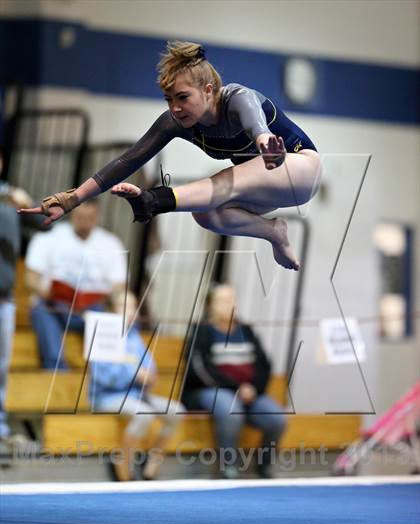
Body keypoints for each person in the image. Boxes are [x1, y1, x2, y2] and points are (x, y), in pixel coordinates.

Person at [18, 41, 321, 270]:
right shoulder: (175, 122)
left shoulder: (238, 99)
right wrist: (72, 199)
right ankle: (273, 232)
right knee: (205, 212)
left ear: (208, 90)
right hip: (263, 185)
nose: (175, 107)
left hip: (300, 168)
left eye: (183, 97)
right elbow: (128, 160)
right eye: (169, 99)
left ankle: (154, 200)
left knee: (226, 182)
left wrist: (265, 142)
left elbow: (257, 125)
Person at [182, 283, 286, 478]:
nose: (228, 304)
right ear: (211, 305)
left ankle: (264, 465)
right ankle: (228, 465)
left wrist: (254, 388)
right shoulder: (202, 330)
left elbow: (264, 364)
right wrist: (236, 388)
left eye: (231, 300)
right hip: (207, 391)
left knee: (277, 418)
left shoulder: (245, 330)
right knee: (230, 408)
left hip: (248, 393)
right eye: (223, 300)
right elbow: (200, 369)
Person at [89, 290, 185, 481]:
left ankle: (151, 466)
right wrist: (134, 373)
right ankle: (122, 463)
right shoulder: (102, 336)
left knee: (177, 411)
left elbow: (150, 368)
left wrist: (148, 375)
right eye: (124, 306)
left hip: (136, 395)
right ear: (111, 310)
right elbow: (104, 377)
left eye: (133, 306)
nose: (131, 311)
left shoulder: (134, 337)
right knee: (145, 415)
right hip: (107, 396)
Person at [25, 199, 127, 369]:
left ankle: (105, 373)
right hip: (56, 305)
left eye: (89, 218)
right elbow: (30, 278)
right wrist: (46, 291)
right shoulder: (50, 236)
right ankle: (55, 368)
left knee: (118, 316)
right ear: (72, 214)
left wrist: (110, 298)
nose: (84, 222)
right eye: (80, 217)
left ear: (97, 217)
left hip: (93, 309)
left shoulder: (111, 243)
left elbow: (119, 285)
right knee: (40, 309)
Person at [0, 151, 34, 443]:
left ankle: (0, 427)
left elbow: (40, 219)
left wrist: (26, 205)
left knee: (1, 367)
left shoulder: (11, 198)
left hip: (4, 298)